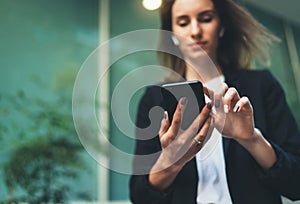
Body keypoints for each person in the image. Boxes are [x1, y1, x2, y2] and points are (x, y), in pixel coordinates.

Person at [129, 0, 300, 203]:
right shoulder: (154, 99)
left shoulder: (261, 86)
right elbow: (140, 197)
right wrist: (171, 160)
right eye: (183, 23)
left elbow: (295, 184)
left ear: (222, 27)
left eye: (206, 19)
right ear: (172, 34)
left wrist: (252, 140)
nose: (195, 31)